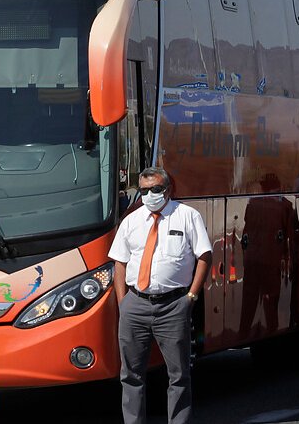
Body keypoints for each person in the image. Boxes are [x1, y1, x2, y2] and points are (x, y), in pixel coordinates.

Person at [109, 167, 212, 424]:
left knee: (178, 374)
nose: (149, 195)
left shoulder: (187, 216)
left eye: (155, 189)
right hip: (136, 304)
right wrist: (123, 302)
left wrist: (191, 297)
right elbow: (119, 262)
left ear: (168, 189)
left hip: (173, 304)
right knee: (130, 375)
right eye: (144, 190)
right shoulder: (131, 220)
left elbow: (204, 256)